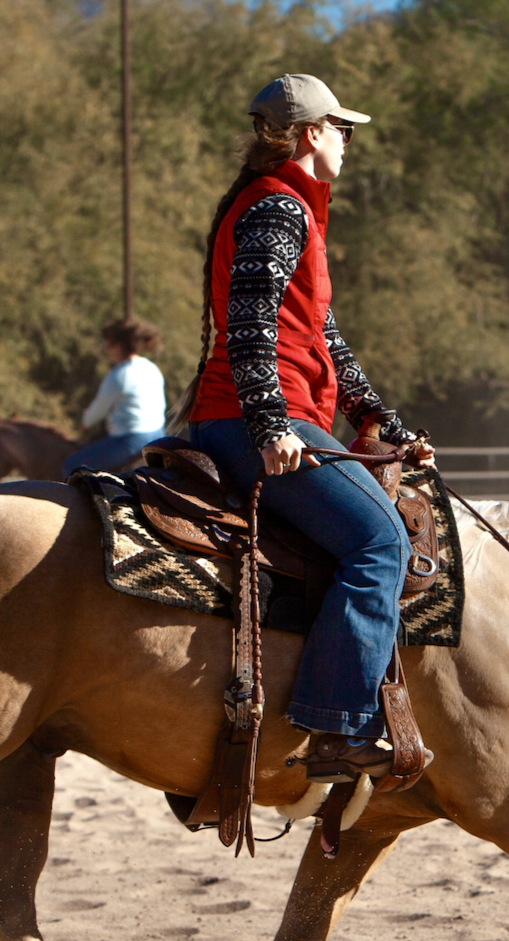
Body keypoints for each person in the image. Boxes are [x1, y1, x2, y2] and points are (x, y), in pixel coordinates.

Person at [175, 73, 434, 772]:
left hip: (265, 409)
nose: (348, 142)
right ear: (312, 134)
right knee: (380, 543)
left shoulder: (286, 208)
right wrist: (269, 425)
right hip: (257, 415)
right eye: (341, 130)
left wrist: (384, 421)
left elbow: (324, 339)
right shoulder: (280, 208)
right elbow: (252, 327)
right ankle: (337, 730)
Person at [63, 318, 166, 478]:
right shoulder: (151, 367)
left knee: (72, 465)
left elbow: (98, 410)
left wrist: (85, 423)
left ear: (117, 346)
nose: (106, 349)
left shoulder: (119, 375)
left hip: (130, 440)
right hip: (158, 434)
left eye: (107, 344)